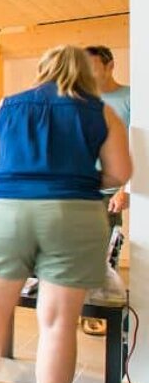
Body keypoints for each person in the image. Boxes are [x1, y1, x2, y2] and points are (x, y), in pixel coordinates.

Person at [0, 45, 131, 383]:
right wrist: (78, 178)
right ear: (85, 72)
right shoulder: (99, 111)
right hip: (72, 214)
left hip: (5, 211)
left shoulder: (6, 106)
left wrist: (17, 177)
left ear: (42, 69)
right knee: (57, 322)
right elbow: (121, 172)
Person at [81, 45, 131, 336]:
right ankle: (82, 306)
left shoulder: (129, 98)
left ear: (110, 66)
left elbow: (139, 147)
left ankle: (98, 310)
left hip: (112, 188)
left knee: (105, 251)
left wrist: (126, 189)